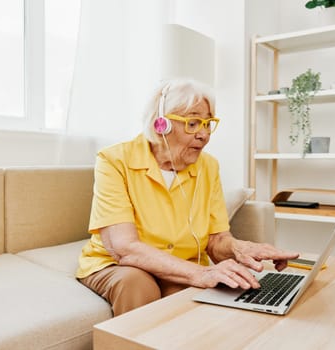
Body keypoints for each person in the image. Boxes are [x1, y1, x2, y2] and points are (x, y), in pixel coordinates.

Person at [76, 79, 299, 316]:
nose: (204, 135)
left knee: (221, 293)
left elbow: (216, 241)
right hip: (119, 265)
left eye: (207, 123)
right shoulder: (114, 160)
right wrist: (200, 273)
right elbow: (124, 248)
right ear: (161, 125)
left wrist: (241, 248)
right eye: (193, 123)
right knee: (137, 284)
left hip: (180, 264)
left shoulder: (208, 166)